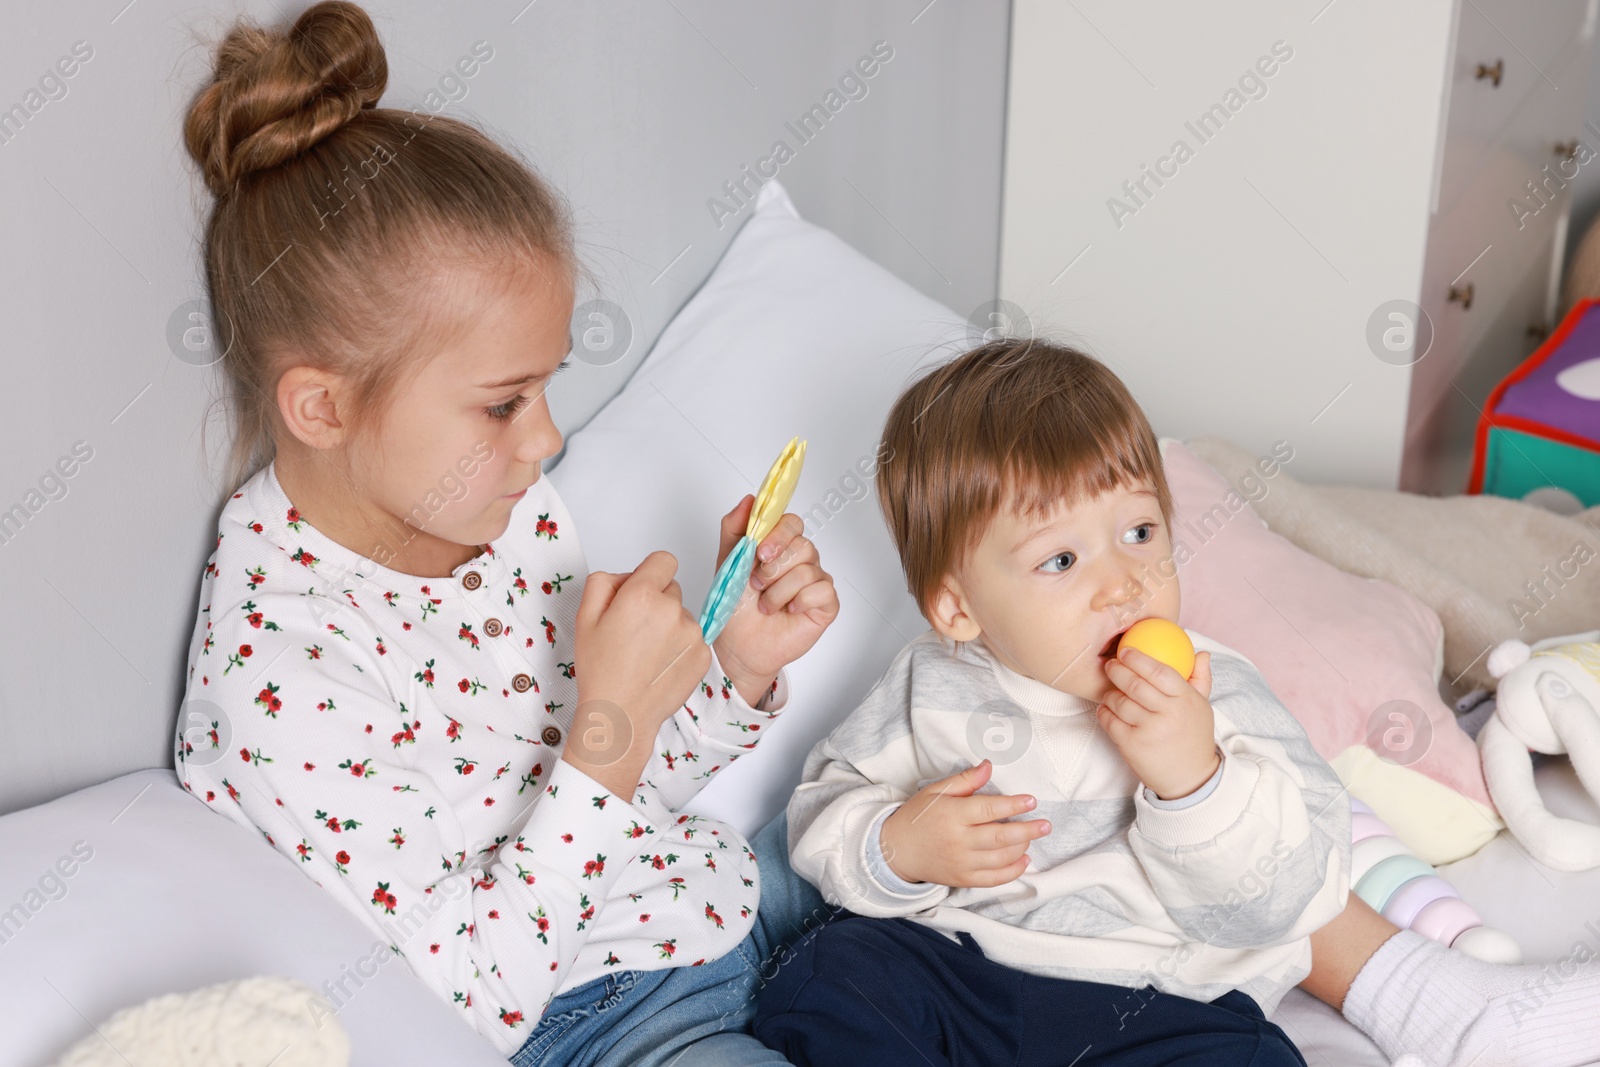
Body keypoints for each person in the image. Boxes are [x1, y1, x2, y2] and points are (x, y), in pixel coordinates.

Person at [173, 5, 836, 1065]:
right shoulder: (285, 677)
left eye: (546, 385)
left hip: (712, 890)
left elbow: (626, 787)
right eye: (502, 402)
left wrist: (733, 667)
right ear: (322, 408)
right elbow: (473, 999)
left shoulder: (501, 509)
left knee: (993, 882)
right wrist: (609, 722)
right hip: (600, 1015)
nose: (547, 437)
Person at [757, 338, 1600, 1067]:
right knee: (827, 973)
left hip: (1151, 1003)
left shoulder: (1218, 688)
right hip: (962, 971)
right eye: (1061, 561)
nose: (1125, 582)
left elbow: (1288, 896)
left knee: (1254, 1054)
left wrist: (1195, 782)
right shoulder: (926, 685)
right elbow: (821, 813)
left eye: (1141, 533)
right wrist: (898, 845)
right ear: (958, 609)